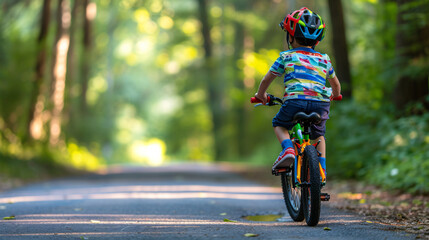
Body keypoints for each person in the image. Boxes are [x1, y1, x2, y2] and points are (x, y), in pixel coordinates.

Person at [254, 7, 341, 176]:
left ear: (291, 36)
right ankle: (321, 169)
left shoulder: (286, 56)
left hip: (294, 101)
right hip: (321, 104)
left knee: (279, 124)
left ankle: (288, 150)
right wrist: (335, 95)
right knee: (319, 135)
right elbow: (336, 85)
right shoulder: (324, 60)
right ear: (317, 39)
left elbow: (266, 79)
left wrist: (260, 95)